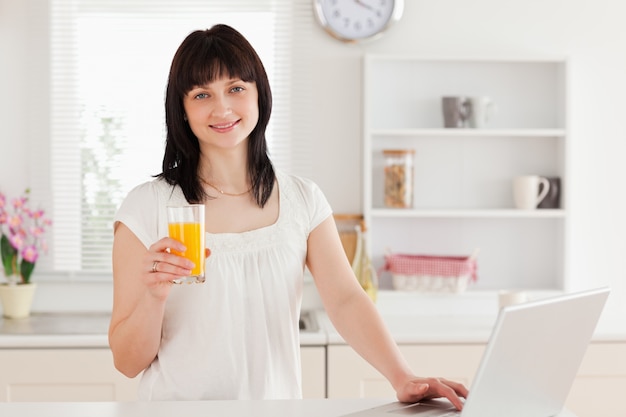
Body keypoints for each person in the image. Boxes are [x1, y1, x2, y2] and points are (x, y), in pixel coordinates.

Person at [108, 24, 468, 407]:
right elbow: (128, 363)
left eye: (236, 88)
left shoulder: (302, 199)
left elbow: (346, 299)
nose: (222, 108)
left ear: (259, 94)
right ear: (181, 109)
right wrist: (153, 296)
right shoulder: (146, 208)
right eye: (201, 94)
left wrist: (403, 376)